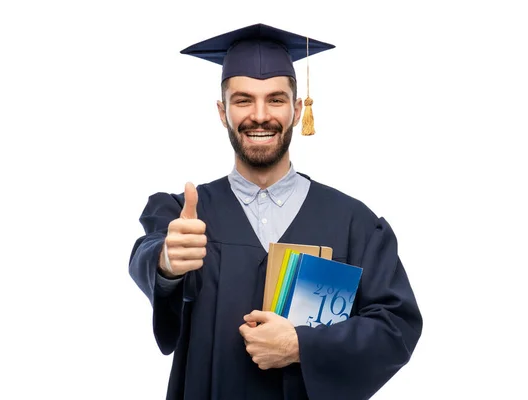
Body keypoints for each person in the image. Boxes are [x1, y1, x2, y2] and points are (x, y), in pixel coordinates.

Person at [129, 23, 422, 400]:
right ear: (223, 112)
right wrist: (167, 263)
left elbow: (396, 327)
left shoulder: (355, 224)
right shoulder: (185, 216)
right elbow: (148, 251)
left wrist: (302, 345)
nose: (260, 115)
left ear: (298, 110)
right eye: (243, 100)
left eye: (276, 99)